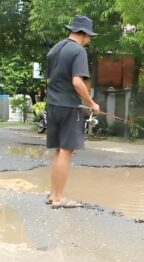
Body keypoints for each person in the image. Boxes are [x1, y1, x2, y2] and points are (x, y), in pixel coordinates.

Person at [46, 15, 100, 208]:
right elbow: (77, 81)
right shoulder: (78, 51)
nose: (89, 40)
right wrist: (92, 103)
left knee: (59, 151)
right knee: (66, 151)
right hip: (68, 106)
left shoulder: (55, 48)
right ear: (84, 34)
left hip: (52, 104)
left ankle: (53, 194)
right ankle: (59, 198)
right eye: (89, 37)